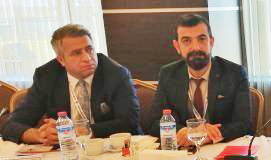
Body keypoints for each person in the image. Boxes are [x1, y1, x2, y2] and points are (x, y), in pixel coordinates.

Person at [3, 24, 141, 144]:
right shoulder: (46, 76)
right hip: (66, 151)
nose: (87, 58)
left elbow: (129, 122)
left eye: (89, 49)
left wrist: (77, 131)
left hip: (112, 148)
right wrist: (40, 135)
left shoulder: (116, 74)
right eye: (77, 53)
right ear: (61, 60)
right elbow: (11, 124)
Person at [150, 14, 250, 145]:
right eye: (186, 41)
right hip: (184, 149)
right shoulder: (168, 74)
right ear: (177, 46)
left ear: (211, 42)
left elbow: (243, 124)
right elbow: (154, 122)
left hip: (220, 148)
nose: (196, 47)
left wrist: (209, 135)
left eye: (202, 39)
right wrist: (183, 131)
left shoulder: (235, 73)